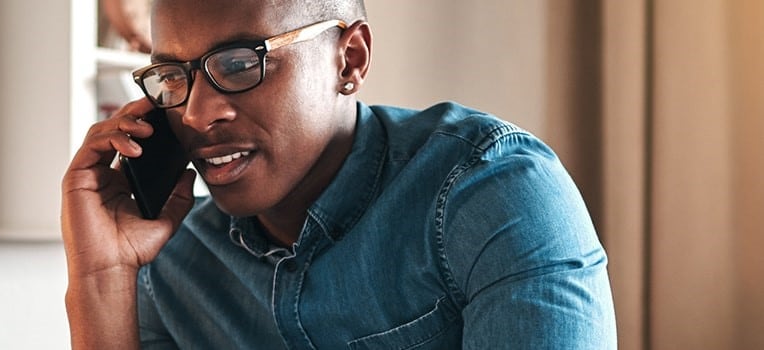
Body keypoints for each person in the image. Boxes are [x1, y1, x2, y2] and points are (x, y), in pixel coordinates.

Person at [60, 0, 618, 348]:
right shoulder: (173, 263)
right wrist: (100, 280)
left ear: (348, 60)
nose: (197, 115)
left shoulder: (490, 192)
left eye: (239, 64)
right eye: (172, 77)